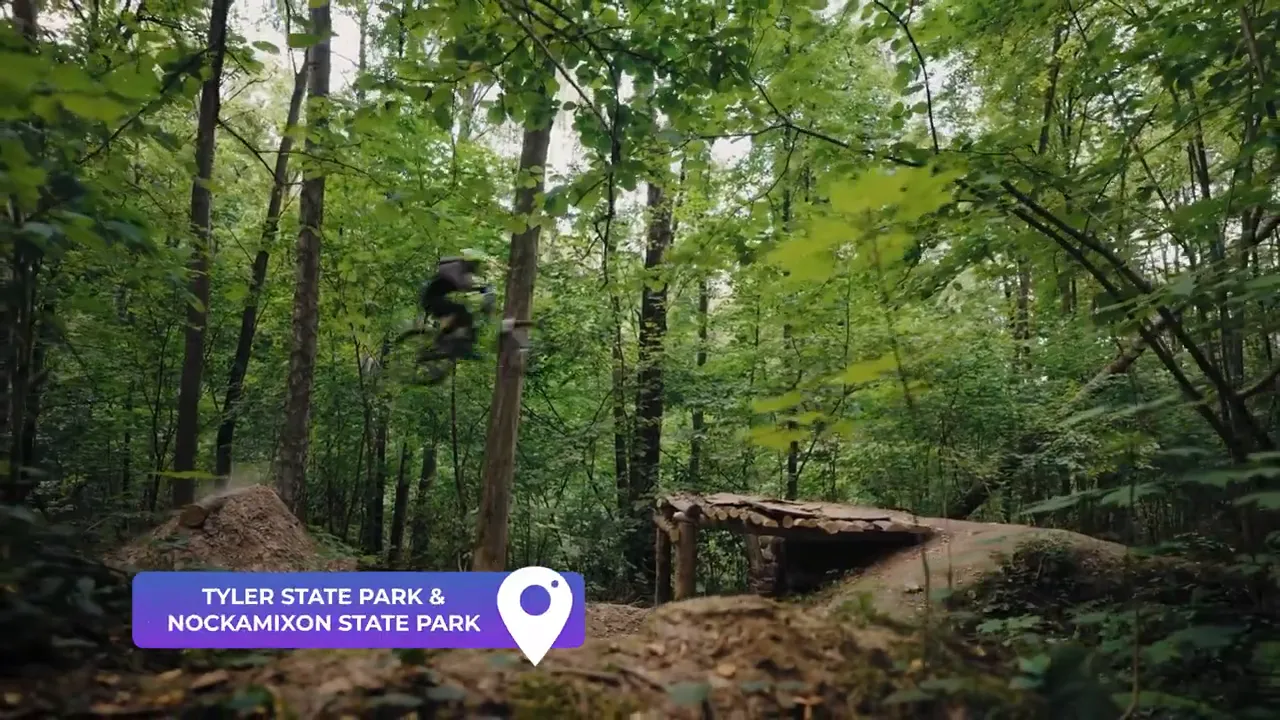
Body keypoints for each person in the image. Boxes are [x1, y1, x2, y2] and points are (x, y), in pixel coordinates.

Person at [417, 249, 495, 363]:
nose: (476, 267)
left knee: (465, 315)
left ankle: (454, 344)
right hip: (431, 300)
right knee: (462, 311)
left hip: (435, 298)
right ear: (469, 262)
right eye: (475, 264)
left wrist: (483, 292)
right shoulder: (456, 267)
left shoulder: (461, 269)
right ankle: (446, 343)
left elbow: (466, 284)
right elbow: (463, 284)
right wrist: (482, 290)